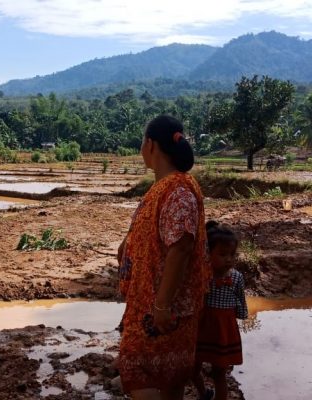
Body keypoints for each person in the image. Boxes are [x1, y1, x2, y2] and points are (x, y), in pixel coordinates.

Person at [117, 115, 210, 400]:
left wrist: (162, 304)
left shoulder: (178, 189)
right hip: (155, 304)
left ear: (150, 144)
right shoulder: (166, 186)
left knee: (133, 371)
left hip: (163, 309)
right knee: (171, 381)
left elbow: (180, 247)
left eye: (142, 142)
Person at [192, 221, 248, 400]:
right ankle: (203, 394)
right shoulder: (202, 275)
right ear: (208, 254)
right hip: (202, 328)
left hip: (224, 332)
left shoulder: (237, 277)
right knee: (192, 368)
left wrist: (240, 313)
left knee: (219, 373)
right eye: (223, 254)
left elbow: (241, 302)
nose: (229, 259)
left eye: (232, 254)